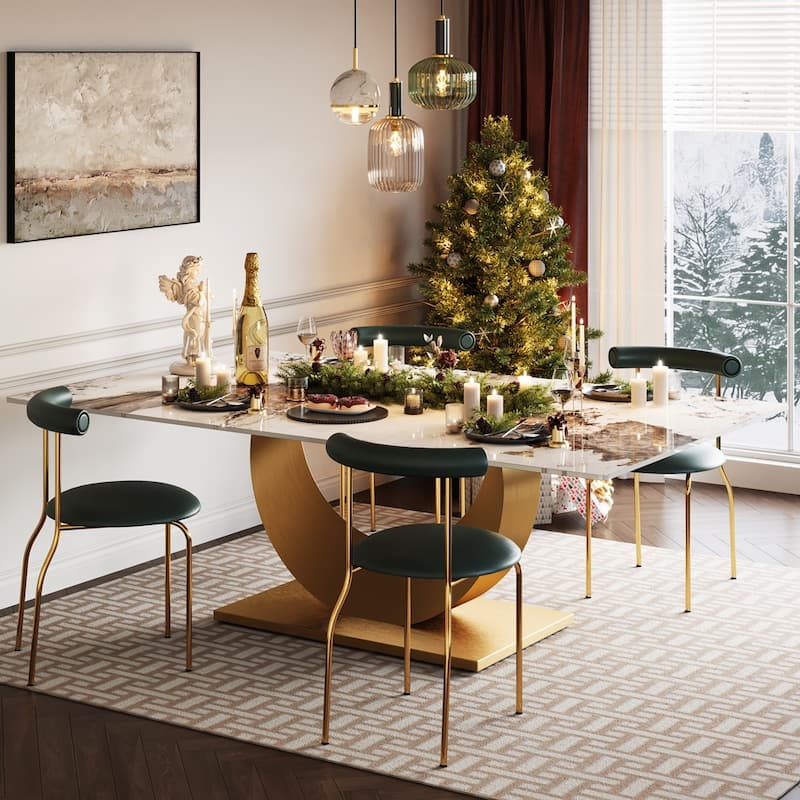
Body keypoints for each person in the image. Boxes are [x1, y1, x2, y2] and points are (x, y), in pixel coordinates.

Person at [158, 256, 207, 362]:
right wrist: (202, 291)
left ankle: (193, 357)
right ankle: (193, 357)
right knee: (195, 334)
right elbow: (198, 301)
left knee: (195, 334)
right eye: (196, 270)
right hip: (194, 315)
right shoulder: (188, 286)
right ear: (189, 271)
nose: (198, 273)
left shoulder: (191, 285)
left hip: (197, 315)